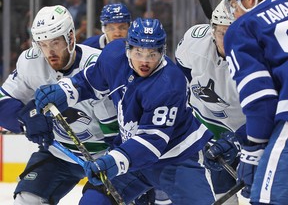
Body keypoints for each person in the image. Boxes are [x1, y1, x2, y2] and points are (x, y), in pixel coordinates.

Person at [34, 17, 216, 204]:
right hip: (130, 154)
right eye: (138, 52)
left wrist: (113, 161)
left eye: (152, 54)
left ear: (162, 51)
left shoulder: (169, 83)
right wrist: (65, 91)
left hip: (175, 158)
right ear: (128, 48)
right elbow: (90, 81)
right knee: (93, 201)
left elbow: (151, 141)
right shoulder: (114, 55)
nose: (144, 62)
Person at [0, 5, 119, 204]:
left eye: (55, 42)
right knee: (26, 200)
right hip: (59, 153)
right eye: (43, 44)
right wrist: (26, 121)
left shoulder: (98, 65)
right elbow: (3, 103)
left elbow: (119, 125)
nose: (49, 52)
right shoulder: (31, 62)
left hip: (105, 156)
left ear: (71, 37)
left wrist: (116, 161)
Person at [175, 0, 246, 204]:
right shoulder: (194, 43)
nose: (228, 40)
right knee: (221, 190)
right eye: (223, 33)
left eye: (234, 33)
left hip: (250, 129)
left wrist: (238, 140)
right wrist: (191, 127)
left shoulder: (259, 57)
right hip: (207, 123)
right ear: (212, 31)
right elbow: (178, 82)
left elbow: (268, 112)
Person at [221, 0, 285, 204]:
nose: (233, 12)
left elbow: (261, 99)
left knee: (268, 198)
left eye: (232, 4)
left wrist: (253, 149)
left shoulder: (243, 27)